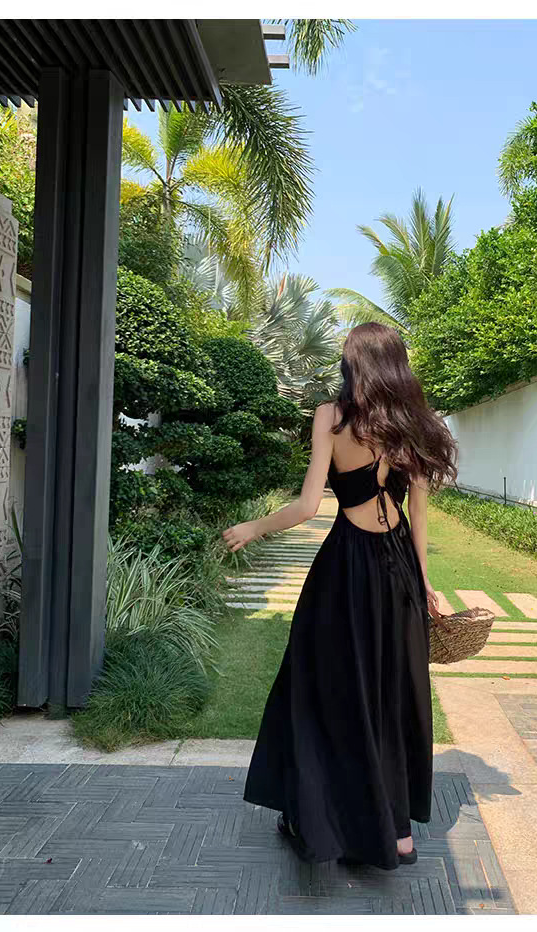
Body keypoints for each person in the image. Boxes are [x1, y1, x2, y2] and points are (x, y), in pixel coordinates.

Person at [222, 321, 458, 871]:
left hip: (346, 568)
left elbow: (308, 506)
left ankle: (322, 818)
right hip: (398, 569)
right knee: (391, 692)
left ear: (353, 364)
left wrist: (253, 527)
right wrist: (423, 580)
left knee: (325, 688)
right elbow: (418, 514)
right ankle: (397, 833)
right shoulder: (413, 424)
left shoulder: (331, 417)